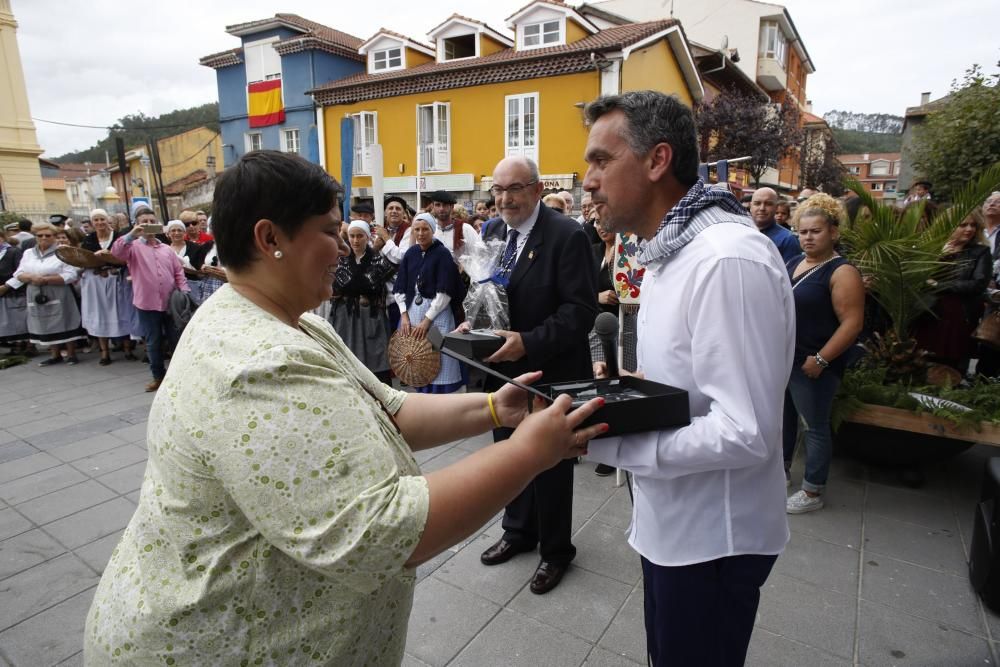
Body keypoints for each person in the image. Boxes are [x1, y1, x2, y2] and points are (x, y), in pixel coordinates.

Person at [83, 150, 605, 665]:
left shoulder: (294, 320)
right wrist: (530, 452)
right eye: (331, 232)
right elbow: (382, 533)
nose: (346, 246)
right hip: (218, 643)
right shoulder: (259, 363)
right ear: (269, 239)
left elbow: (390, 410)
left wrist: (497, 409)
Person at [581, 90, 795, 665]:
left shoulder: (726, 259)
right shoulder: (673, 251)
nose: (588, 181)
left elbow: (746, 428)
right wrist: (620, 397)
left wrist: (618, 440)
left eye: (602, 160)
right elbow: (684, 384)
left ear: (657, 161)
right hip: (676, 526)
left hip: (713, 541)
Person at [472, 156, 598, 595]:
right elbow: (488, 294)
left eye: (515, 188)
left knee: (550, 465)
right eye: (498, 190)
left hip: (551, 374)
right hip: (503, 375)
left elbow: (581, 313)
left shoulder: (568, 235)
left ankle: (556, 550)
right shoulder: (492, 234)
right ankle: (518, 531)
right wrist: (475, 323)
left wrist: (528, 340)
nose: (505, 198)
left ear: (538, 188)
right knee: (508, 458)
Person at [781, 194, 865, 514]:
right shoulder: (795, 262)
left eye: (816, 231)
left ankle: (813, 492)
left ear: (833, 232)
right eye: (803, 232)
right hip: (787, 360)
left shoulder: (842, 271)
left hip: (814, 365)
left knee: (815, 426)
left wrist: (821, 359)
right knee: (785, 419)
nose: (808, 237)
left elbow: (852, 324)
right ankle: (782, 471)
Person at [111, 207, 190, 391]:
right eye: (144, 221)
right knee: (153, 342)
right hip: (147, 304)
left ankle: (179, 376)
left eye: (151, 221)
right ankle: (158, 377)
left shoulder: (166, 249)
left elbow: (178, 272)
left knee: (175, 340)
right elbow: (116, 252)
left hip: (171, 303)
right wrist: (132, 234)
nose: (148, 224)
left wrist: (184, 291)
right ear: (137, 224)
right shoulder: (133, 247)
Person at [912, 208, 993, 373]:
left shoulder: (980, 252)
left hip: (960, 317)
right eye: (963, 225)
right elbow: (916, 278)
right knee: (923, 364)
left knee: (953, 368)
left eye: (973, 225)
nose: (969, 229)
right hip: (928, 314)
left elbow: (977, 285)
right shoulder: (932, 248)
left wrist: (939, 285)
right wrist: (938, 257)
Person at [393, 213, 466, 393]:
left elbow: (445, 292)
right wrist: (404, 315)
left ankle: (442, 403)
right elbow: (400, 287)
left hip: (437, 314)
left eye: (425, 229)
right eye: (416, 229)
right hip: (412, 314)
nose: (420, 233)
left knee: (438, 356)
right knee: (417, 356)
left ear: (432, 230)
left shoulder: (442, 254)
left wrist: (427, 320)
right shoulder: (411, 253)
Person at [5, 222, 86, 365]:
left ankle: (71, 353)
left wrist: (46, 279)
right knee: (43, 322)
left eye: (47, 235)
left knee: (65, 320)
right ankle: (55, 354)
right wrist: (30, 278)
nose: (43, 238)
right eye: (40, 235)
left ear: (54, 237)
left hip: (58, 290)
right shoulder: (29, 253)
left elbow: (71, 274)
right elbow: (19, 272)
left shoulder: (62, 251)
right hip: (35, 290)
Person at [330, 220, 395, 384]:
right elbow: (333, 288)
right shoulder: (340, 261)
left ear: (367, 238)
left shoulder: (378, 261)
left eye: (360, 236)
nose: (355, 240)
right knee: (347, 362)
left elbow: (388, 286)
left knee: (375, 364)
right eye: (352, 236)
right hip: (345, 319)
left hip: (371, 319)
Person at [80, 208, 134, 365]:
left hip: (115, 279)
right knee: (100, 313)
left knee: (120, 311)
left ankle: (127, 348)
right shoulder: (89, 239)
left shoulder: (118, 237)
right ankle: (105, 352)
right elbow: (83, 259)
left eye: (102, 219)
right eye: (96, 220)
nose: (99, 222)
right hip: (96, 281)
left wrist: (110, 264)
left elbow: (126, 258)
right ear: (92, 223)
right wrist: (96, 268)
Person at [977, 192, 1000, 376]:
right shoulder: (973, 230)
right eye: (989, 201)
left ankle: (984, 379)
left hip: (995, 296)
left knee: (990, 338)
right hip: (972, 291)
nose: (992, 204)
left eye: (998, 202)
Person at [751, 187, 801, 263]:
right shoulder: (740, 232)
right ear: (751, 206)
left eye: (768, 204)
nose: (762, 208)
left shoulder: (788, 239)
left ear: (776, 208)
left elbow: (790, 272)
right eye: (757, 203)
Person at [428, 190, 482, 258]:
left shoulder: (465, 229)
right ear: (433, 206)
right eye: (438, 205)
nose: (441, 208)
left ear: (452, 207)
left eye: (445, 205)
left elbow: (479, 254)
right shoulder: (429, 230)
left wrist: (466, 263)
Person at [0, 236, 27, 350]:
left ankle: (26, 346)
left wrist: (6, 286)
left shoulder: (13, 251)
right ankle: (13, 345)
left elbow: (21, 271)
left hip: (13, 291)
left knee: (18, 321)